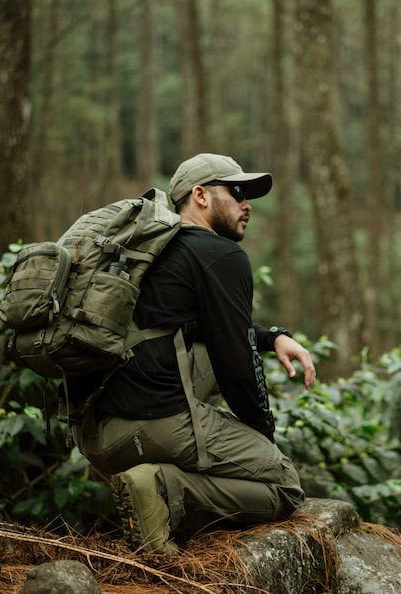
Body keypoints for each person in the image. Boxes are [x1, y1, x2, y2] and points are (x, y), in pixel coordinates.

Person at [71, 153, 316, 554]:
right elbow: (238, 369)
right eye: (236, 191)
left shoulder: (150, 251)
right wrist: (265, 445)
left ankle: (162, 479)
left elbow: (209, 329)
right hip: (147, 426)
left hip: (95, 431)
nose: (247, 203)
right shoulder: (221, 255)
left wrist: (272, 338)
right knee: (284, 485)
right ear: (200, 195)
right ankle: (164, 488)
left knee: (199, 347)